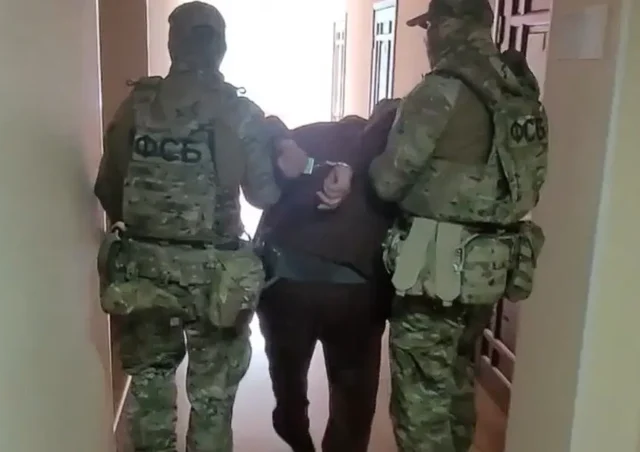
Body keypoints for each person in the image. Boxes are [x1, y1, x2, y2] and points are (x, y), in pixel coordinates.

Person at [93, 3, 331, 451]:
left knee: (150, 388)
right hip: (215, 279)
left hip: (143, 272)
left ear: (172, 45)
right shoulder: (239, 112)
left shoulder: (137, 105)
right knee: (213, 398)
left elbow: (108, 189)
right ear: (220, 48)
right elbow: (263, 194)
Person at [368, 0, 549, 450]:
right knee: (458, 377)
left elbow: (387, 181)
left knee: (421, 395)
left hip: (435, 270)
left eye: (430, 26)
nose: (427, 37)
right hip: (490, 267)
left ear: (449, 26)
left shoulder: (441, 90)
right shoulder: (517, 86)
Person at [255, 101, 400, 452]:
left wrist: (281, 140)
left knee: (287, 378)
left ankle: (292, 424)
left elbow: (263, 129)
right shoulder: (387, 154)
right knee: (352, 399)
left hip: (285, 287)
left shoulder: (304, 137)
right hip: (356, 292)